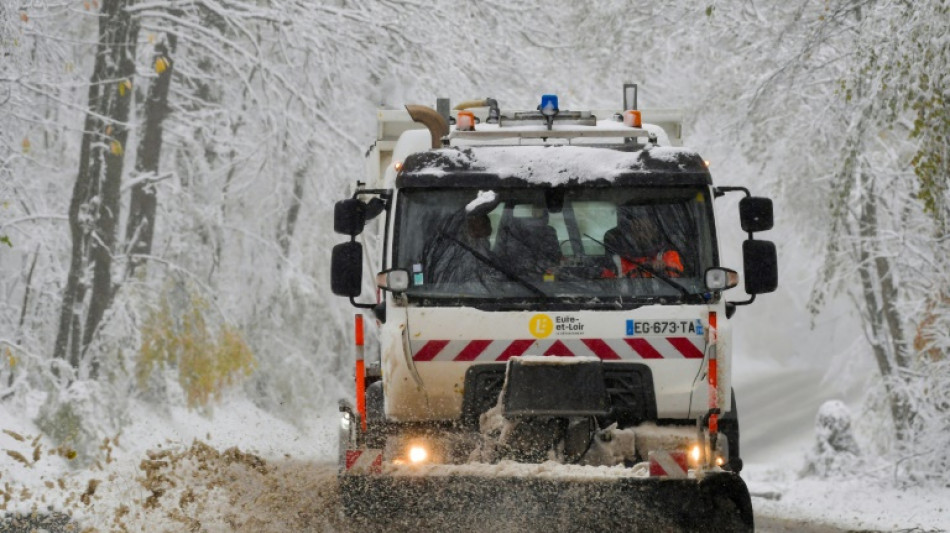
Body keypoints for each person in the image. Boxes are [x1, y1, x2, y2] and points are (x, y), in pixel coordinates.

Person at [601, 207, 684, 278]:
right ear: (630, 231)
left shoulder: (668, 255)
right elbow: (605, 286)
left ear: (654, 229)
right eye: (637, 229)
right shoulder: (616, 260)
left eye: (645, 229)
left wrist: (664, 269)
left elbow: (679, 278)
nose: (641, 234)